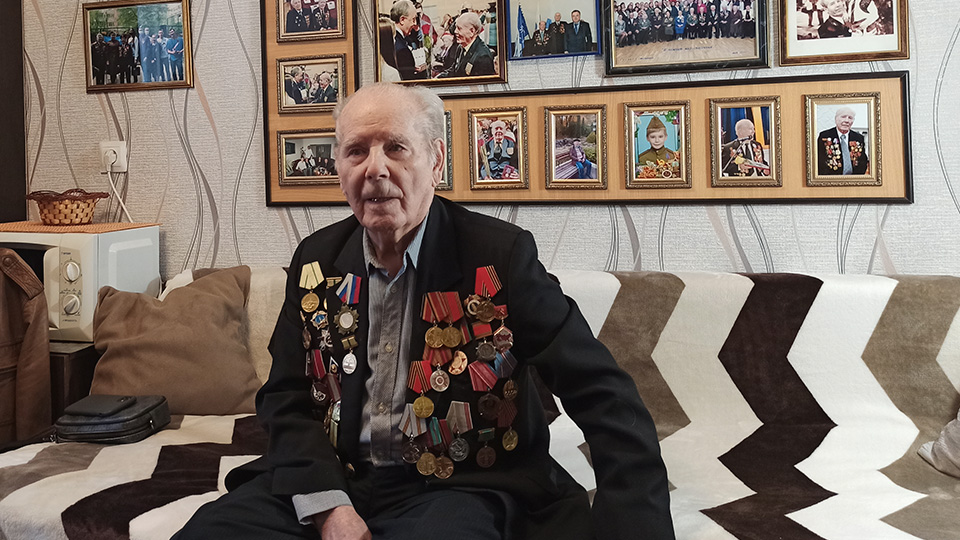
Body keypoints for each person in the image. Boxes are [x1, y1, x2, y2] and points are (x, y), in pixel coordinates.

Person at [173, 81, 674, 540]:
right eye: (356, 151)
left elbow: (603, 395)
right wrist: (329, 506)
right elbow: (286, 397)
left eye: (395, 147)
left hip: (458, 488)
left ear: (436, 161)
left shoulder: (499, 257)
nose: (375, 168)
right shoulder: (316, 260)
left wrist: (634, 526)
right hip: (332, 478)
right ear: (339, 168)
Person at [438, 12, 495, 78]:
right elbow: (454, 70)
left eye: (459, 28)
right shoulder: (460, 47)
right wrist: (437, 78)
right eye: (456, 28)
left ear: (472, 31)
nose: (455, 31)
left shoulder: (483, 57)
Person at [817, 106, 869, 175]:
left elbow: (863, 162)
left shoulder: (858, 138)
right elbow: (819, 161)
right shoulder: (825, 136)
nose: (846, 120)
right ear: (836, 119)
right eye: (843, 117)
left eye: (850, 118)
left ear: (853, 121)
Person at [391, 0, 429, 80]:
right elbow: (409, 81)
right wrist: (422, 72)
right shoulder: (401, 48)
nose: (415, 23)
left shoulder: (395, 38)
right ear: (402, 20)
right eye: (413, 19)